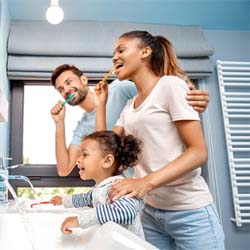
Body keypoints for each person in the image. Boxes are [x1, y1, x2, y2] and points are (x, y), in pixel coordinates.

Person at [94, 31, 225, 250]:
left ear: (145, 52)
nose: (114, 58)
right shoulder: (129, 106)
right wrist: (100, 104)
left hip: (189, 210)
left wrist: (145, 182)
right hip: (150, 212)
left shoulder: (170, 86)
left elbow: (198, 152)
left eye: (121, 50)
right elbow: (106, 152)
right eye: (113, 53)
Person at [50, 64, 210, 177]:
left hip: (168, 172)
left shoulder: (119, 88)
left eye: (68, 82)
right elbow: (64, 169)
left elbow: (160, 93)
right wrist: (59, 123)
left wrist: (190, 95)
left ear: (83, 80)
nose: (66, 90)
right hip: (136, 185)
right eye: (60, 89)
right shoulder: (82, 128)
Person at [50, 130, 145, 238]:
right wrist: (63, 200)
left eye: (84, 155)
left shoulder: (119, 188)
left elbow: (124, 211)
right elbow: (85, 198)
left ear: (107, 161)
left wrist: (79, 220)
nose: (78, 159)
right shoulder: (101, 188)